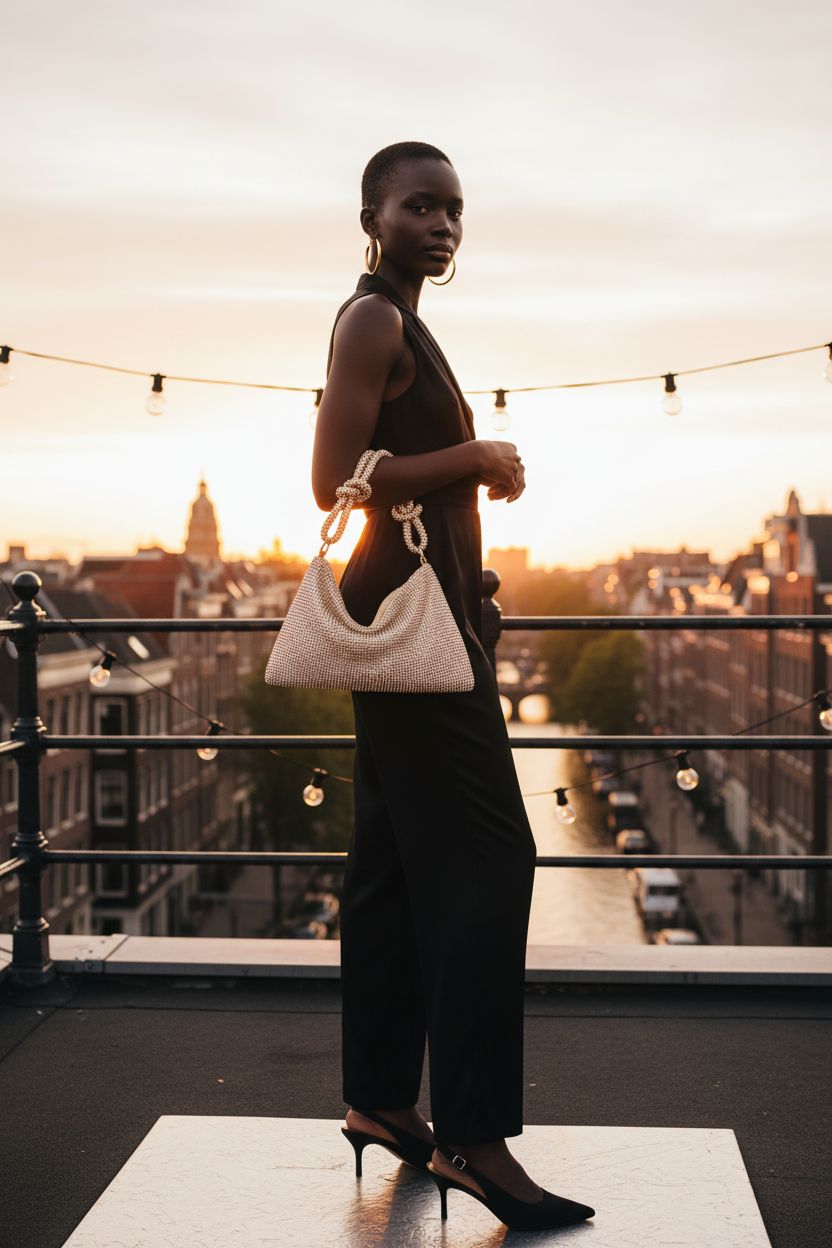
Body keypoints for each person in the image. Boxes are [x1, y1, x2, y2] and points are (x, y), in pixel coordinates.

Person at [311, 141, 594, 1231]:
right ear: (373, 216)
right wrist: (474, 458)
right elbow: (333, 478)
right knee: (491, 856)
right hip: (409, 629)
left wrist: (472, 580)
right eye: (419, 205)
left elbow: (390, 479)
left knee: (388, 863)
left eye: (454, 210)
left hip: (423, 612)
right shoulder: (373, 317)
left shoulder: (402, 324)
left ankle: (381, 1098)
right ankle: (475, 1141)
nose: (442, 223)